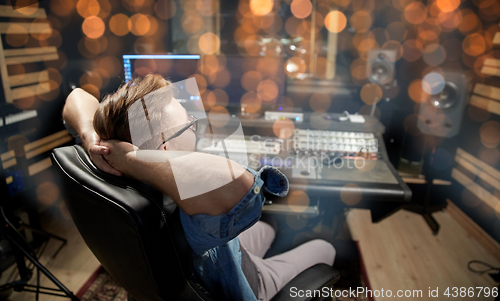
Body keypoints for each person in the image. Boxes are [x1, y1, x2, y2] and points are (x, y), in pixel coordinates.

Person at [62, 74, 336, 301]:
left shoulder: (114, 166)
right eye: (190, 126)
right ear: (164, 150)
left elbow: (76, 98)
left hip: (225, 252)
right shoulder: (182, 208)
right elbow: (240, 183)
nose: (196, 129)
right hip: (248, 282)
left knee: (266, 228)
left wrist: (92, 137)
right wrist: (134, 157)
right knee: (326, 248)